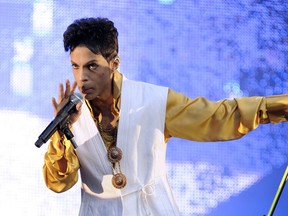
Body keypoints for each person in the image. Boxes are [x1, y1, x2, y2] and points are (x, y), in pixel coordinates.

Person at [42, 17, 288, 216]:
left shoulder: (153, 101)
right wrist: (62, 133)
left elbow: (218, 117)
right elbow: (58, 183)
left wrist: (282, 106)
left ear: (114, 63)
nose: (81, 76)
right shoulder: (71, 115)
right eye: (75, 66)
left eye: (91, 66)